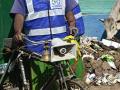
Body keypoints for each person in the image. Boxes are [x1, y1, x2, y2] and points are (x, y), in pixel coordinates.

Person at [11, 0, 84, 89]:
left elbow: (69, 13)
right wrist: (18, 32)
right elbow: (19, 14)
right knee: (40, 83)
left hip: (59, 45)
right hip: (37, 49)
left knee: (62, 80)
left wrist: (72, 26)